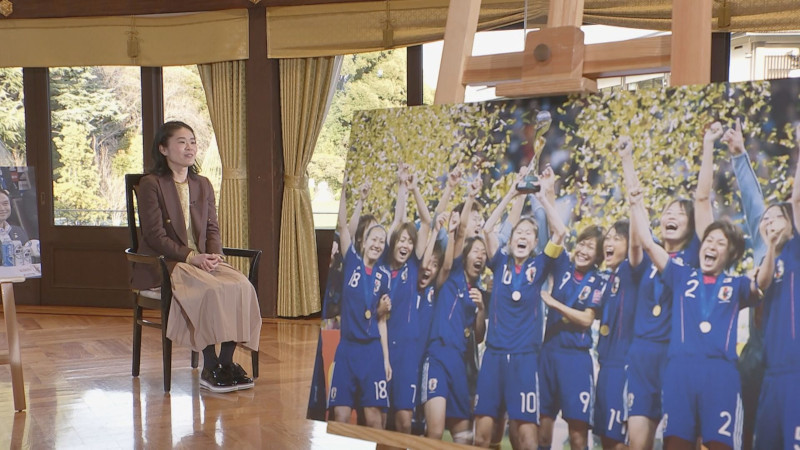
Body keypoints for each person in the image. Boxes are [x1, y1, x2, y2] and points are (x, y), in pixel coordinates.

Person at [630, 188, 778, 449]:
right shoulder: (681, 276)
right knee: (675, 443)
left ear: (731, 255)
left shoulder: (737, 285)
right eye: (709, 240)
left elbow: (763, 282)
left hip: (721, 376)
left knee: (719, 444)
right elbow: (649, 244)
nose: (711, 246)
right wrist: (635, 202)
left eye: (720, 244)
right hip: (679, 373)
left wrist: (771, 247)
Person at [131, 120, 261, 393]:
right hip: (167, 264)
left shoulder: (202, 184)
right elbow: (155, 236)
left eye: (192, 141)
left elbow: (212, 227)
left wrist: (214, 256)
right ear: (163, 149)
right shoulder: (150, 184)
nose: (189, 147)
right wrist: (192, 257)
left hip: (201, 260)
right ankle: (209, 365)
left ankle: (225, 363)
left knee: (240, 286)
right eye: (181, 141)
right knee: (211, 290)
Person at [619, 135, 703, 450]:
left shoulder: (694, 258)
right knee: (637, 443)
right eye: (667, 212)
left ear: (690, 225)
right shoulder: (645, 259)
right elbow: (638, 214)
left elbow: (704, 201)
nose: (670, 216)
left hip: (674, 357)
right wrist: (628, 161)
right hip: (641, 358)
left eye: (679, 214)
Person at [473, 167, 564, 450]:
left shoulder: (539, 265)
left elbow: (560, 231)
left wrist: (542, 197)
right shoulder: (499, 262)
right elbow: (487, 229)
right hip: (494, 356)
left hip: (525, 359)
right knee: (483, 437)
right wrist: (513, 193)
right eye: (518, 233)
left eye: (529, 233)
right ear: (511, 241)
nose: (523, 236)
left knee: (525, 438)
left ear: (535, 243)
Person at [421, 178, 487, 445]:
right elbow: (459, 237)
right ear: (466, 254)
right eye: (476, 251)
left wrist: (482, 308)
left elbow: (479, 336)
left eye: (484, 253)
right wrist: (470, 198)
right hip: (437, 356)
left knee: (464, 437)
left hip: (460, 362)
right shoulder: (451, 272)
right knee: (435, 433)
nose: (480, 256)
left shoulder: (478, 288)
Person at [327, 181, 392, 429]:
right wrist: (354, 195)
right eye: (373, 239)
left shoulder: (384, 277)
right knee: (341, 416)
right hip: (347, 350)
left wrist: (386, 360)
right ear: (364, 242)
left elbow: (381, 320)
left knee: (374, 417)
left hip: (372, 351)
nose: (377, 244)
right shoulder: (352, 261)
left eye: (382, 241)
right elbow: (343, 225)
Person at [752, 135, 800, 449]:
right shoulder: (766, 261)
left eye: (776, 217)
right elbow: (762, 284)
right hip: (770, 374)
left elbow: (796, 201)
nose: (769, 221)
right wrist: (769, 246)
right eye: (764, 218)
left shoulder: (797, 248)